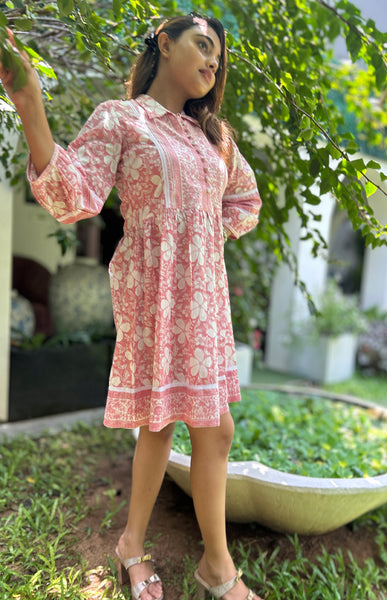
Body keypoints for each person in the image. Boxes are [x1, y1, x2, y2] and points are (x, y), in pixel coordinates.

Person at [0, 12, 262, 600]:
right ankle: (159, 553)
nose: (212, 61)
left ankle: (200, 562)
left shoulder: (214, 137)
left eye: (218, 57)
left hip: (204, 297)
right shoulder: (122, 118)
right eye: (203, 45)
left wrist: (202, 237)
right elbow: (73, 195)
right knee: (162, 422)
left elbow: (245, 199)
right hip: (155, 294)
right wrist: (29, 100)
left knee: (213, 428)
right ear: (164, 43)